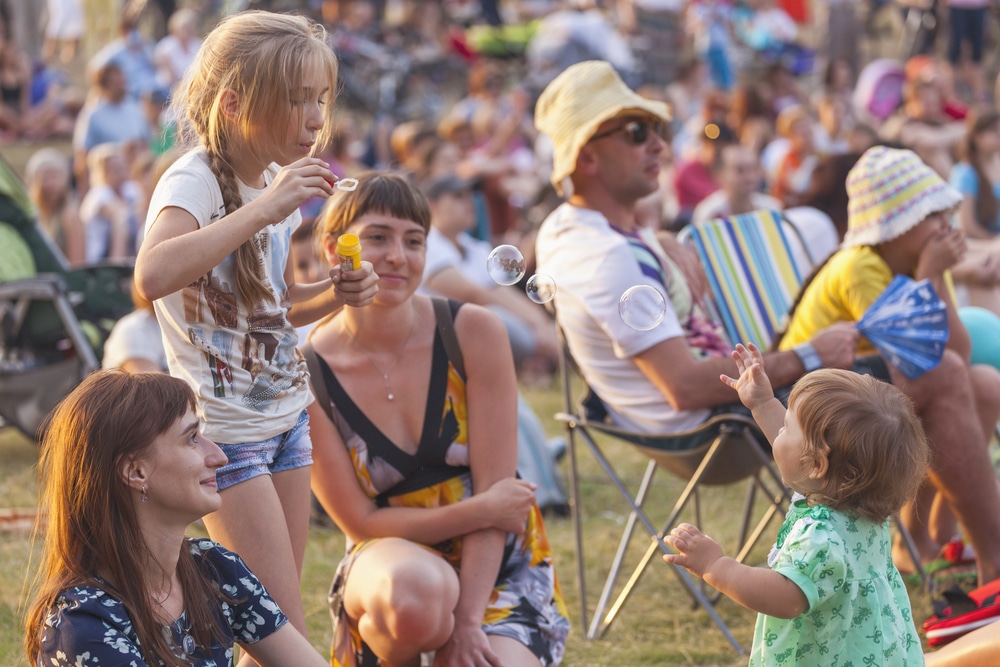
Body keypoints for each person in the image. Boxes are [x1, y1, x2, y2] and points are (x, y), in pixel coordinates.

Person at [133, 11, 379, 663]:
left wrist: (334, 296)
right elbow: (151, 274)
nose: (314, 118)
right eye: (296, 100)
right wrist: (264, 210)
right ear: (236, 103)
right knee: (286, 634)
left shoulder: (273, 180)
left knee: (265, 620)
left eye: (321, 100)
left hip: (285, 416)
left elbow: (266, 310)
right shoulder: (195, 178)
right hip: (228, 433)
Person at [306, 172, 570, 667]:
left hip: (496, 562)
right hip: (392, 564)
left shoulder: (471, 330)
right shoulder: (309, 372)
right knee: (414, 599)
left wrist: (468, 624)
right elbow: (361, 522)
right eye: (377, 237)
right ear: (332, 247)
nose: (397, 257)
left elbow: (496, 485)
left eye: (414, 241)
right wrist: (482, 509)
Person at [533, 60, 858, 440]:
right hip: (715, 424)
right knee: (908, 380)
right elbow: (685, 387)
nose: (660, 145)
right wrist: (809, 355)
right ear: (586, 156)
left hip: (711, 411)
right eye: (637, 133)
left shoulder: (564, 227)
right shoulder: (607, 258)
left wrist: (660, 239)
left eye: (657, 129)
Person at [776, 145, 1000, 586]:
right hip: (809, 398)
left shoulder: (920, 262)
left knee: (984, 381)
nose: (945, 226)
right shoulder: (859, 266)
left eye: (944, 213)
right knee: (952, 377)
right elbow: (917, 355)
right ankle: (994, 558)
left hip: (868, 385)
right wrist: (931, 278)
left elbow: (958, 347)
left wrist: (933, 277)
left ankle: (919, 539)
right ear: (894, 226)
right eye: (931, 216)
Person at [23, 370, 333, 666]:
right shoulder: (81, 626)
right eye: (192, 438)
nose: (219, 457)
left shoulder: (215, 570)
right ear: (136, 471)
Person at [664, 349, 928, 666]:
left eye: (787, 428)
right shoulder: (858, 505)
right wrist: (762, 403)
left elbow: (785, 597)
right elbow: (794, 451)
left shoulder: (821, 537)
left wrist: (716, 566)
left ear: (815, 464)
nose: (778, 435)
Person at [24, 147, 84, 266]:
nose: (52, 184)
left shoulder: (70, 215)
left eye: (56, 176)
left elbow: (77, 264)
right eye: (46, 177)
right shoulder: (29, 214)